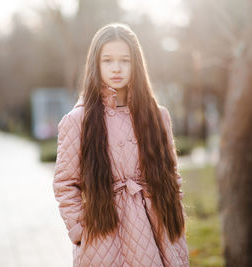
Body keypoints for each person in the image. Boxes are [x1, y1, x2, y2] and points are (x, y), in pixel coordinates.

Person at [52, 22, 189, 267]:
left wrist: (176, 223)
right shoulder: (78, 121)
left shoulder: (158, 116)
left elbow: (172, 176)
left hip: (157, 229)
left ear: (136, 63)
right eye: (108, 60)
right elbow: (65, 183)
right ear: (96, 63)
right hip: (104, 233)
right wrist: (80, 231)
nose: (117, 68)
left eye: (125, 60)